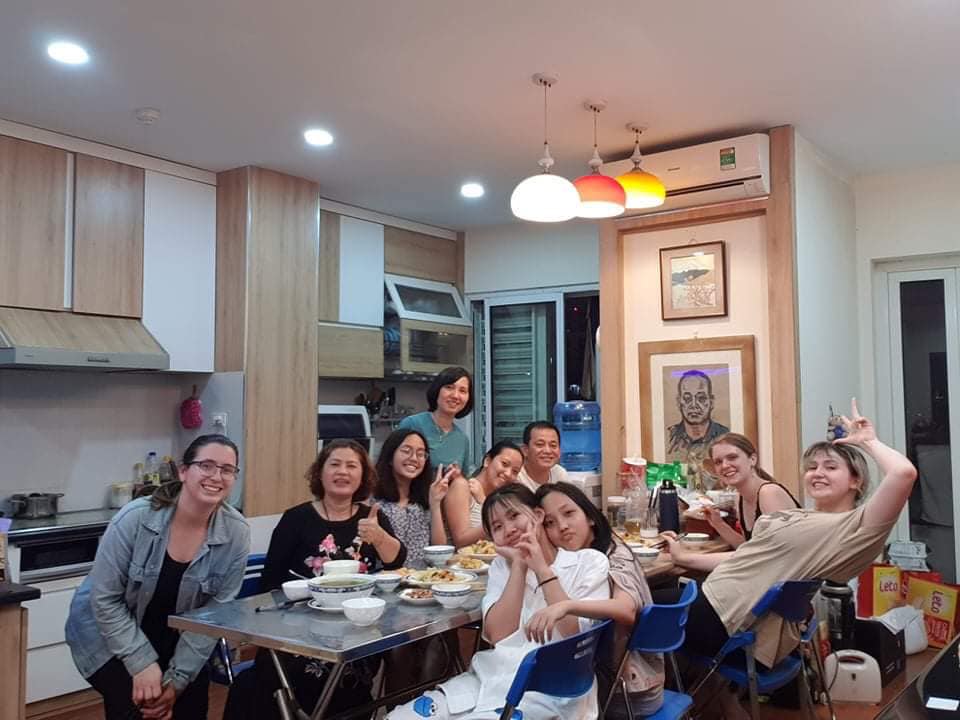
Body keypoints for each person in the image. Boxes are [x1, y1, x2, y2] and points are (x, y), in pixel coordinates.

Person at [660, 400, 917, 714]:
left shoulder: (853, 526)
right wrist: (683, 556)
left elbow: (904, 473)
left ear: (856, 481)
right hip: (715, 601)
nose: (817, 473)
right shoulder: (802, 517)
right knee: (639, 598)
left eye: (830, 467)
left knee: (627, 610)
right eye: (812, 467)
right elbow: (746, 559)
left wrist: (869, 441)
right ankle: (721, 707)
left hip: (726, 619)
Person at [65, 434, 250, 720]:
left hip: (179, 640)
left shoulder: (236, 532)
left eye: (227, 470)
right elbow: (105, 600)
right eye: (207, 465)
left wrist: (177, 681)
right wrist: (141, 664)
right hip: (107, 634)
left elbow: (215, 616)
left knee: (188, 709)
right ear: (184, 471)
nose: (216, 476)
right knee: (139, 709)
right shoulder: (135, 519)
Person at [388, 484, 610, 720]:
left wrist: (541, 568)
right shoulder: (501, 567)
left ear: (537, 515)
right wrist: (519, 566)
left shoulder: (588, 562)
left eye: (514, 516)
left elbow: (573, 632)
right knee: (399, 717)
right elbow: (498, 634)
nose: (509, 529)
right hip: (489, 678)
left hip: (551, 692)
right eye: (498, 527)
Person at [225, 439, 406, 719]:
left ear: (363, 476)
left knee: (352, 678)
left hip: (357, 634)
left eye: (351, 466)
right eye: (334, 464)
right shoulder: (296, 519)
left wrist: (379, 536)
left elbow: (397, 561)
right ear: (320, 473)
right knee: (286, 678)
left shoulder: (372, 517)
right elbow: (270, 585)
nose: (342, 472)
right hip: (297, 633)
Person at [528, 482, 665, 717]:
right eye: (549, 523)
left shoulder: (614, 554)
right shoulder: (575, 559)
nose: (562, 526)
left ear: (590, 517)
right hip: (605, 685)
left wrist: (566, 606)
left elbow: (626, 609)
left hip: (625, 693)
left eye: (569, 513)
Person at [668, 433, 800, 572]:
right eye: (718, 462)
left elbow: (770, 556)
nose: (725, 465)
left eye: (732, 457)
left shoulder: (769, 493)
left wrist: (683, 558)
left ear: (752, 459)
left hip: (784, 585)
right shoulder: (740, 497)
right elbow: (746, 548)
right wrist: (718, 524)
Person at [374, 428, 456, 565]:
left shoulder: (423, 498)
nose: (413, 458)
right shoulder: (373, 500)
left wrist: (435, 504)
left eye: (421, 454)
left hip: (423, 579)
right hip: (386, 579)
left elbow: (439, 550)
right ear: (390, 456)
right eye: (406, 451)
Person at [443, 440, 523, 548]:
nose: (508, 473)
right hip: (461, 562)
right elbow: (460, 540)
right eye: (504, 464)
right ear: (487, 461)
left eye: (515, 471)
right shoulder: (462, 486)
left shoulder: (500, 499)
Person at [399, 366, 473, 473]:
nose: (455, 395)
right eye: (449, 387)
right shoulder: (412, 424)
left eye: (463, 391)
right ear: (437, 390)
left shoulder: (462, 440)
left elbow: (464, 479)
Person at [666, 370, 730, 462]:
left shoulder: (725, 436)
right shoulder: (669, 437)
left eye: (701, 398)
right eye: (687, 398)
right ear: (679, 402)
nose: (694, 404)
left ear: (711, 402)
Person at [516, 420, 568, 492]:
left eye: (553, 445)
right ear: (525, 450)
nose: (547, 451)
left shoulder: (560, 474)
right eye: (540, 444)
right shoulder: (516, 477)